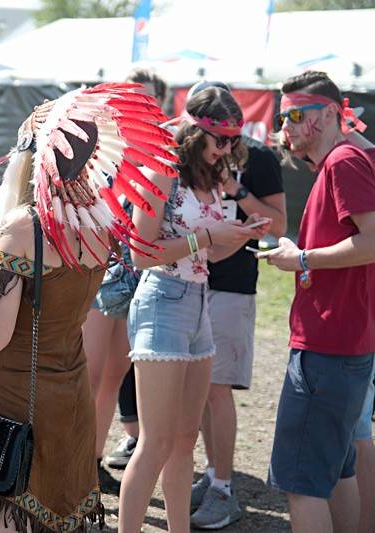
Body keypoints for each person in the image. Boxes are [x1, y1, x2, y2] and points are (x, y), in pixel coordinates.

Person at [0, 83, 176, 532]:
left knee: (9, 508)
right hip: (70, 384)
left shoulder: (22, 229)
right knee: (57, 508)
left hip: (17, 390)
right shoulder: (103, 223)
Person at [118, 87, 269, 533]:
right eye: (219, 140)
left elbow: (205, 256)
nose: (226, 150)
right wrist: (208, 238)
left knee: (185, 442)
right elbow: (141, 253)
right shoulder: (162, 169)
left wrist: (237, 237)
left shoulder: (209, 175)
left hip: (198, 300)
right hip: (162, 300)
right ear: (194, 130)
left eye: (232, 142)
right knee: (156, 442)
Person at [263, 70, 375, 533]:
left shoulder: (344, 162)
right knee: (336, 472)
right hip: (342, 344)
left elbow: (373, 240)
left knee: (302, 484)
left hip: (330, 346)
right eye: (281, 114)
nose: (285, 125)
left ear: (330, 112)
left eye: (295, 114)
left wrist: (301, 257)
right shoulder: (345, 159)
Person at [185, 81, 287, 529]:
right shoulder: (187, 155)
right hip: (186, 282)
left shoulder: (260, 158)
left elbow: (279, 225)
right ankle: (211, 474)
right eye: (216, 134)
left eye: (231, 133)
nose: (224, 143)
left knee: (216, 387)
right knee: (198, 392)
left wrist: (235, 190)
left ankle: (224, 487)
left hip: (232, 285)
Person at [86, 69, 169, 494]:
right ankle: (69, 461)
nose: (141, 106)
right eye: (132, 98)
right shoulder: (100, 146)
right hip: (95, 273)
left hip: (140, 276)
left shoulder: (164, 153)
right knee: (87, 374)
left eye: (149, 99)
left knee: (114, 377)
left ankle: (92, 461)